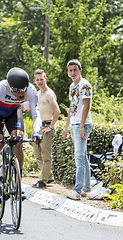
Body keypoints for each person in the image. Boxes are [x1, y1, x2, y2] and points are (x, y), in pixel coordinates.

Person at [0, 67, 42, 198]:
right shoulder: (1, 87)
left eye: (23, 90)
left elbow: (36, 115)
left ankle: (17, 182)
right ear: (10, 88)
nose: (21, 94)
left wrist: (36, 132)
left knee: (19, 141)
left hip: (13, 112)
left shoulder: (32, 90)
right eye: (16, 91)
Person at [62, 59, 93, 200]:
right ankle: (86, 188)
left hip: (83, 124)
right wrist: (66, 126)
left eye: (75, 70)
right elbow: (72, 107)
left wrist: (81, 126)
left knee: (79, 157)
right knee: (83, 157)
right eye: (70, 70)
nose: (73, 72)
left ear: (80, 70)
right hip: (74, 124)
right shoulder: (72, 86)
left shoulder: (85, 85)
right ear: (68, 72)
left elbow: (86, 106)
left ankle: (77, 190)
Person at [32, 69, 61, 188]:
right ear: (34, 81)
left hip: (47, 126)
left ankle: (42, 181)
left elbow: (57, 111)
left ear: (46, 79)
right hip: (39, 126)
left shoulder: (49, 94)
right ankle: (49, 177)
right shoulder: (38, 94)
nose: (40, 82)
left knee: (45, 154)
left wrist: (51, 126)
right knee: (37, 153)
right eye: (37, 80)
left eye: (41, 79)